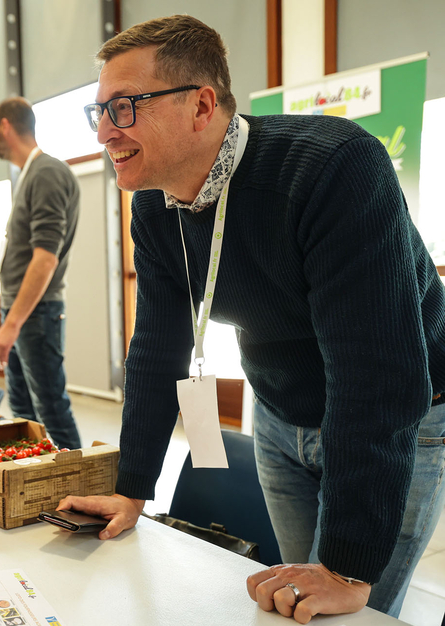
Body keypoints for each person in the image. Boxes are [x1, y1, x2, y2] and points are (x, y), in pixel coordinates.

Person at [57, 15, 445, 624]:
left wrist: (347, 566)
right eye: (99, 111)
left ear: (202, 105)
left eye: (124, 107)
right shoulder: (157, 208)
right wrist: (132, 487)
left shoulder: (334, 167)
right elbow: (158, 347)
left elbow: (377, 373)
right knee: (296, 599)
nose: (105, 131)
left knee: (348, 604)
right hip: (279, 411)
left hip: (403, 413)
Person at [0, 97, 82, 451]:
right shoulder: (29, 173)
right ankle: (35, 481)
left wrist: (11, 325)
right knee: (24, 412)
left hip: (35, 314)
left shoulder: (47, 173)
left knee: (50, 408)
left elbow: (45, 259)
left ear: (7, 126)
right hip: (23, 311)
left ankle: (80, 484)